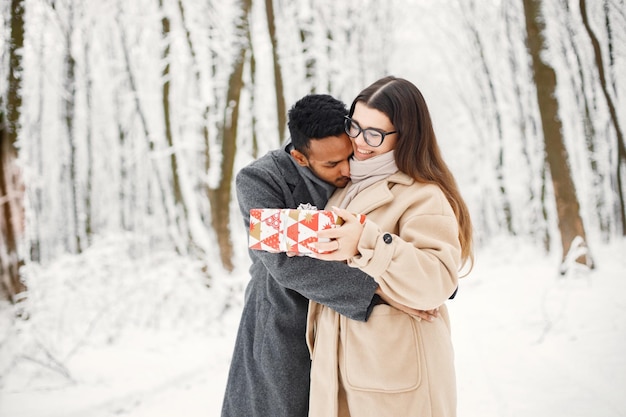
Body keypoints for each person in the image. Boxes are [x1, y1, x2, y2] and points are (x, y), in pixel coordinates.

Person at [221, 93, 436, 417]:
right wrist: (379, 291)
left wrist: (420, 275)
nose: (347, 169)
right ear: (300, 157)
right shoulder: (260, 179)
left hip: (345, 331)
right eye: (332, 164)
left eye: (348, 156)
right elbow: (283, 263)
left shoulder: (362, 172)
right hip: (284, 319)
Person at [306, 76, 474, 417]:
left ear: (406, 136)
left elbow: (436, 283)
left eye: (375, 134)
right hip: (343, 368)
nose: (360, 142)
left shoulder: (423, 195)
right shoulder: (344, 187)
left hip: (396, 372)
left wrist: (366, 241)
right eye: (355, 126)